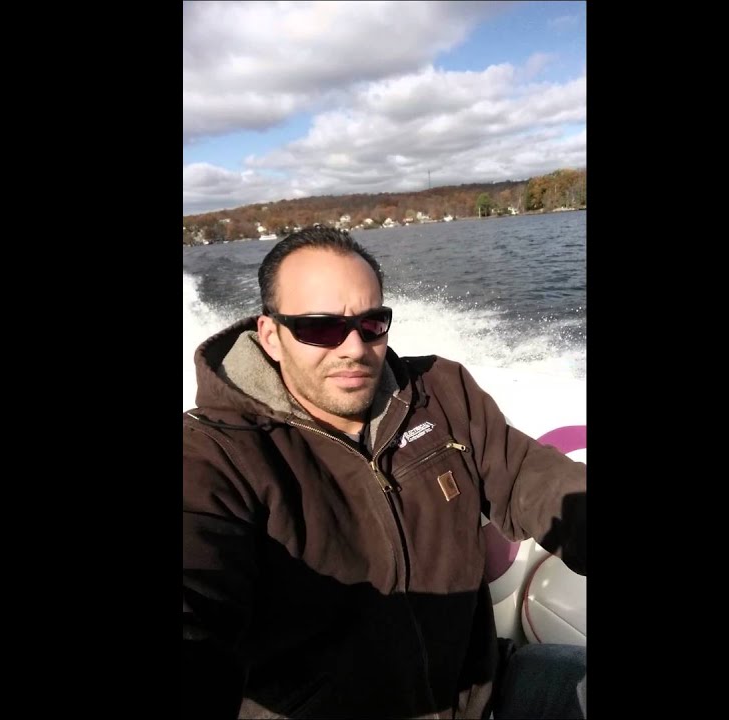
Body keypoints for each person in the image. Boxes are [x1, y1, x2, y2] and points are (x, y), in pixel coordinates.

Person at [183, 227, 587, 718]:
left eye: (371, 323)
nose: (354, 348)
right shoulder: (215, 455)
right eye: (320, 328)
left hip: (480, 695)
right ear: (270, 335)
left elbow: (533, 479)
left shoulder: (442, 391)